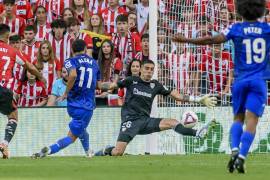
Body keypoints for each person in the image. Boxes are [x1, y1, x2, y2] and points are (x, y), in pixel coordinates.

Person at [172, 0, 268, 174]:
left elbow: (210, 39)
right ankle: (242, 157)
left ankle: (233, 150)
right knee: (252, 121)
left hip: (239, 80)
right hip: (258, 81)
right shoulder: (267, 29)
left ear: (239, 10)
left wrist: (185, 39)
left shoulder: (235, 28)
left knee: (238, 118)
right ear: (262, 10)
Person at [95, 59, 217, 157]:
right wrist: (97, 84)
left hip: (146, 121)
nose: (149, 71)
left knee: (172, 122)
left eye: (151, 69)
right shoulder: (131, 80)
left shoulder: (155, 85)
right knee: (118, 153)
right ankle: (106, 150)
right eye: (147, 68)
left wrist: (198, 99)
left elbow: (176, 96)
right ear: (141, 69)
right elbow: (111, 85)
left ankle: (198, 133)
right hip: (130, 121)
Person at [32, 39, 111, 158]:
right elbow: (99, 86)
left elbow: (73, 74)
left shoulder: (69, 61)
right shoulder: (94, 63)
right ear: (85, 49)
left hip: (73, 104)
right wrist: (114, 85)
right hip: (87, 106)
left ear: (72, 50)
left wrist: (66, 94)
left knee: (81, 130)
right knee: (71, 137)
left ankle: (89, 152)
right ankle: (49, 150)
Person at [0, 24, 46, 159]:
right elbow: (30, 66)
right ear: (7, 36)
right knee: (13, 117)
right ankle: (4, 144)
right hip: (4, 89)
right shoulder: (12, 51)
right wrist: (40, 77)